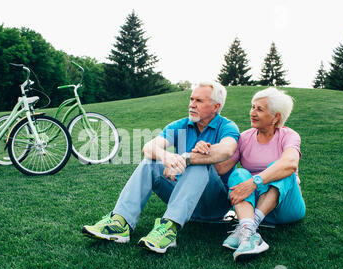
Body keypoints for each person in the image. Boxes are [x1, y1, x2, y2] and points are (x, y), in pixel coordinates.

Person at [82, 81, 240, 253]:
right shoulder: (181, 124)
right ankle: (121, 222)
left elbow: (227, 150)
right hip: (183, 199)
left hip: (213, 205)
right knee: (150, 162)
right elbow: (148, 148)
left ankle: (168, 229)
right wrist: (167, 157)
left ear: (216, 106)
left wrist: (185, 159)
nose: (191, 104)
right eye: (191, 99)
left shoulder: (227, 126)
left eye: (199, 101)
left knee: (200, 163)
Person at [214, 87, 306, 261]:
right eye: (252, 107)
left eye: (260, 109)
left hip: (286, 207)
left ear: (276, 117)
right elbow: (221, 168)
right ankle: (249, 231)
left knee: (282, 168)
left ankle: (248, 227)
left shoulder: (289, 135)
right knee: (239, 173)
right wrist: (208, 148)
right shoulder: (245, 137)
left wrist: (254, 182)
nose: (253, 113)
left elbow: (290, 163)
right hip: (253, 206)